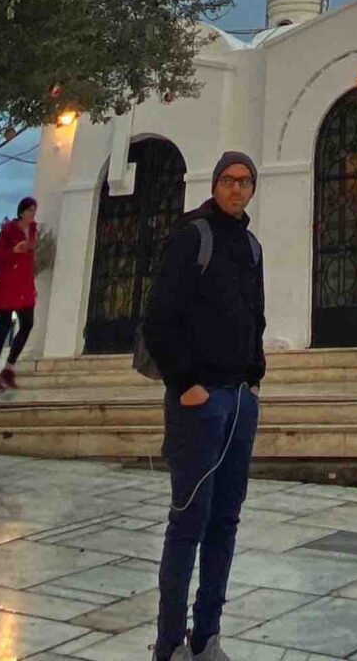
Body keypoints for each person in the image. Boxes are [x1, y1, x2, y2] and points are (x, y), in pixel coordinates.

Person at [140, 151, 266, 661]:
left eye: (245, 181)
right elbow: (159, 316)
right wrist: (186, 383)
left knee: (226, 520)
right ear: (214, 184)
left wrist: (254, 379)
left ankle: (207, 636)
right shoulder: (193, 237)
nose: (236, 189)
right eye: (227, 180)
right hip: (200, 402)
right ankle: (169, 644)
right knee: (189, 520)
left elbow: (255, 316)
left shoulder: (251, 246)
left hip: (239, 400)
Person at [0, 196, 39, 391]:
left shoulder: (33, 231)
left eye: (34, 209)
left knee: (27, 323)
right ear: (22, 211)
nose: (33, 213)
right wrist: (14, 250)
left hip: (24, 284)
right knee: (3, 326)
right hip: (8, 283)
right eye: (30, 209)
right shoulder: (8, 230)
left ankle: (9, 366)